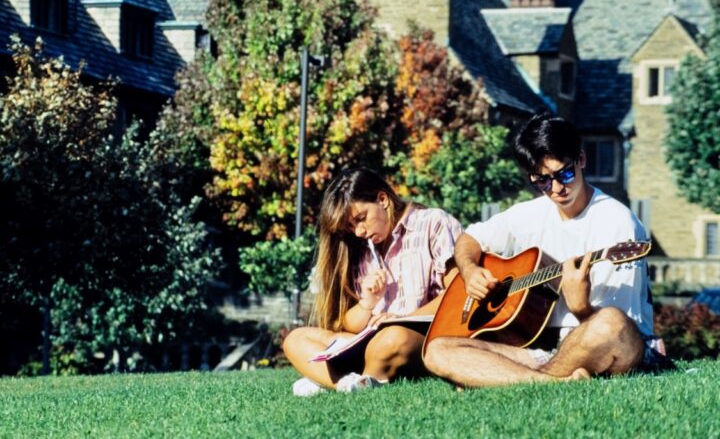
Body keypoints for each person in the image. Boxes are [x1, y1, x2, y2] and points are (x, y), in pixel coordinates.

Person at [423, 113, 665, 388]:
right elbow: (470, 238)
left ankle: (512, 378)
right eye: (543, 181)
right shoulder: (530, 213)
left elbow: (622, 328)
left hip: (601, 342)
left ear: (581, 160)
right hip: (542, 349)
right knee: (437, 349)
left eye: (565, 174)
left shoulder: (618, 223)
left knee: (610, 322)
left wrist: (581, 307)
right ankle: (551, 382)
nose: (557, 188)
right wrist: (470, 270)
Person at [283, 167, 462, 395]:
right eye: (351, 226)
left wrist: (403, 319)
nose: (358, 232)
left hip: (418, 337)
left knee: (392, 338)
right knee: (296, 339)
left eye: (361, 219)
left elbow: (458, 294)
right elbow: (351, 325)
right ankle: (349, 383)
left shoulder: (432, 223)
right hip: (371, 341)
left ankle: (333, 379)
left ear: (383, 199)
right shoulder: (363, 248)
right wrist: (367, 303)